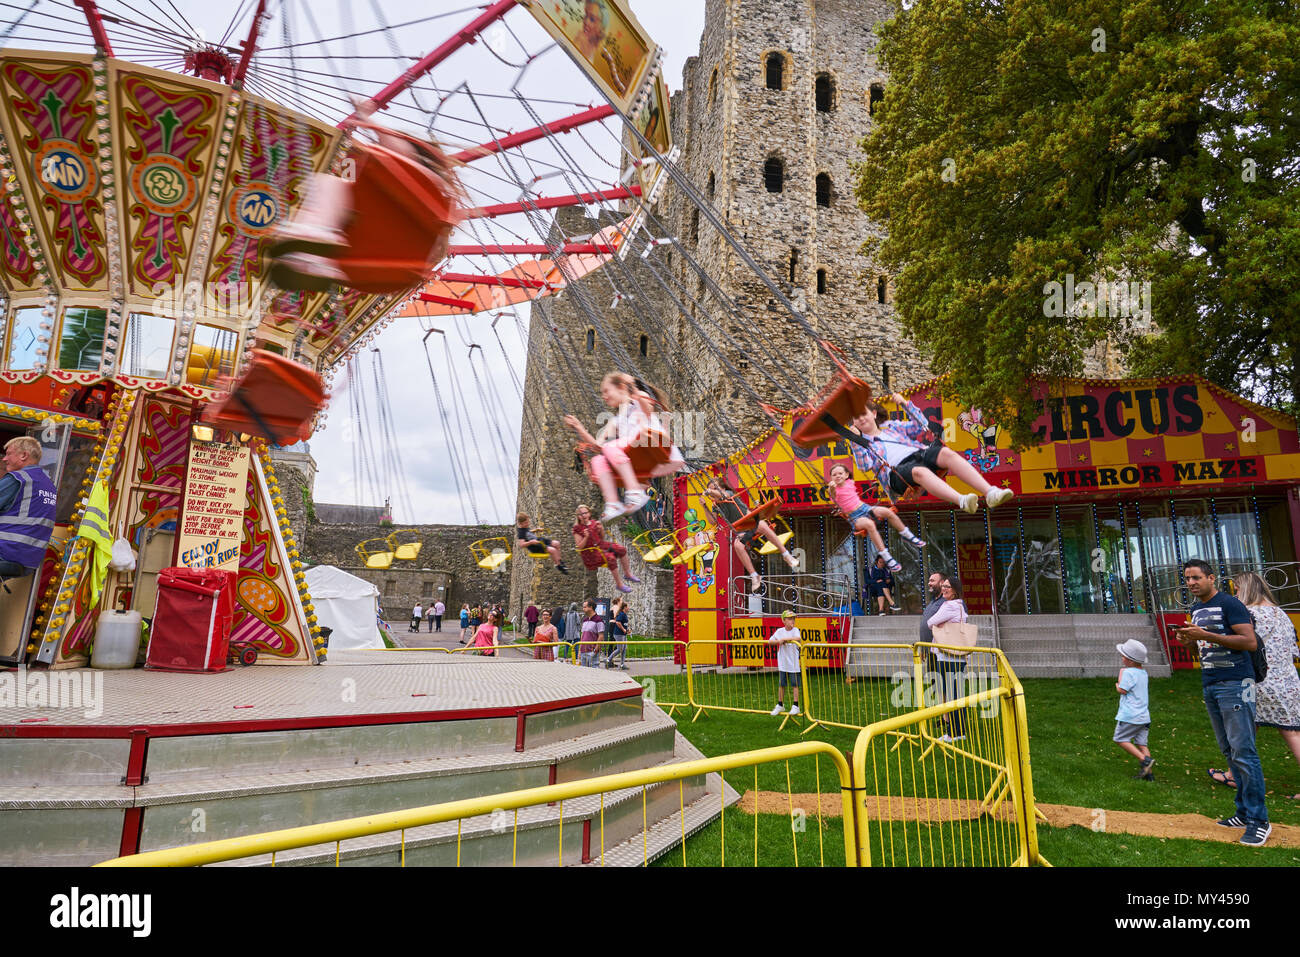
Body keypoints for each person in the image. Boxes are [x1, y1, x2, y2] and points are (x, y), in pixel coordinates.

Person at [1171, 559, 1270, 846]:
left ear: (1211, 578)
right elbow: (1201, 648)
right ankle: (1242, 811)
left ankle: (1259, 820)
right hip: (1212, 683)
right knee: (1229, 750)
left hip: (1238, 683)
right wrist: (1188, 639)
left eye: (1197, 578)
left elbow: (1249, 641)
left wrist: (1205, 634)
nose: (1191, 583)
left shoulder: (1230, 604)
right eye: (1187, 578)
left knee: (1244, 751)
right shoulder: (1196, 609)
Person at [821, 393, 1014, 514]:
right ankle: (962, 500)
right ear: (853, 423)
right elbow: (864, 466)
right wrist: (855, 441)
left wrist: (905, 404)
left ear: (873, 413)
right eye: (856, 418)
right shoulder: (863, 443)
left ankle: (990, 492)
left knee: (947, 454)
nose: (861, 419)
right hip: (896, 473)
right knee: (920, 472)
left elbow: (919, 426)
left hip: (919, 454)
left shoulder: (892, 427)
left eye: (864, 413)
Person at [1205, 571, 1300, 801]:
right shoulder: (1281, 614)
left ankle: (1234, 775)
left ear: (1246, 589)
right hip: (1288, 680)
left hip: (1256, 680)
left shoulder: (1247, 614)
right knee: (1284, 731)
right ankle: (1233, 773)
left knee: (1247, 731)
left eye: (1236, 590)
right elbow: (1294, 650)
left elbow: (1240, 644)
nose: (1234, 594)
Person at [564, 372, 684, 522]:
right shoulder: (615, 421)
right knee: (598, 461)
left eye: (606, 391)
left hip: (655, 445)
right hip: (639, 457)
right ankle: (613, 504)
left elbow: (648, 411)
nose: (604, 396)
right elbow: (598, 447)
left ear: (621, 387)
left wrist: (633, 390)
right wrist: (578, 427)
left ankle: (634, 490)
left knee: (611, 447)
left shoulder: (637, 397)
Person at [703, 476, 798, 591]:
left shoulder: (728, 493)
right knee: (738, 545)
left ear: (722, 488)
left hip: (751, 522)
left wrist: (709, 491)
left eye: (715, 489)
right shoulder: (715, 505)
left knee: (762, 525)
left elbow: (723, 496)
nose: (712, 494)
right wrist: (704, 506)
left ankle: (786, 555)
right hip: (741, 529)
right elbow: (713, 521)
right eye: (711, 491)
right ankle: (754, 576)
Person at [826, 463, 924, 572]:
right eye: (834, 475)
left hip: (865, 508)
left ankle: (906, 534)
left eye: (840, 473)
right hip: (855, 517)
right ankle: (887, 557)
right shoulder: (833, 490)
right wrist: (831, 487)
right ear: (831, 478)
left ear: (846, 475)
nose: (837, 476)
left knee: (888, 512)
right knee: (869, 524)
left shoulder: (850, 482)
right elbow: (833, 493)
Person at [0, 436, 57, 579]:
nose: (4, 459)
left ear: (24, 455)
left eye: (8, 454)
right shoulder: (49, 485)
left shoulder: (18, 478)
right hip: (29, 559)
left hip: (6, 552)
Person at [927, 577, 970, 742]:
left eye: (947, 586)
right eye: (943, 585)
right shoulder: (959, 605)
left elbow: (931, 622)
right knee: (956, 693)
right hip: (956, 657)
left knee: (951, 694)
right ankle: (958, 730)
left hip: (947, 656)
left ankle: (955, 733)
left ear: (954, 590)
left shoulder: (950, 606)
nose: (944, 588)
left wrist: (938, 625)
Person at [1114, 638, 1155, 781]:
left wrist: (1118, 680)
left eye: (1123, 656)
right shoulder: (1143, 672)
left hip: (1130, 716)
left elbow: (1122, 690)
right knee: (1141, 743)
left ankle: (1144, 760)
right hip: (1144, 716)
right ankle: (1148, 773)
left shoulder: (1129, 673)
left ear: (1130, 660)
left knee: (1119, 739)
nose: (1122, 658)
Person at [573, 504, 637, 594]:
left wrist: (601, 529)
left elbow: (601, 538)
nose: (583, 516)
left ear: (589, 513)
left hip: (600, 545)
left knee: (622, 549)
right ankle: (619, 584)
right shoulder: (577, 528)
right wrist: (586, 537)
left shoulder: (594, 523)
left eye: (585, 513)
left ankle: (628, 574)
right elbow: (579, 546)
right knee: (611, 558)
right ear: (578, 517)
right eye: (581, 514)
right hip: (590, 553)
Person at [767, 610, 802, 716]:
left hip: (794, 663)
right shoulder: (779, 631)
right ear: (784, 620)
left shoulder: (795, 630)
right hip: (783, 663)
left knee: (795, 684)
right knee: (782, 684)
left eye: (793, 618)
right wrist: (778, 641)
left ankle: (796, 706)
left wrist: (785, 639)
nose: (792, 620)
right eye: (790, 618)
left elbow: (798, 638)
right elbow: (770, 641)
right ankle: (780, 704)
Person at [578, 599, 604, 668]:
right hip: (583, 651)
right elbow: (582, 636)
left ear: (591, 607)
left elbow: (601, 636)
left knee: (594, 674)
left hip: (592, 652)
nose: (583, 609)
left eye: (585, 607)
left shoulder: (598, 620)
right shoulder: (585, 620)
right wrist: (580, 651)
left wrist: (596, 650)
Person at [605, 598, 630, 669]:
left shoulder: (623, 614)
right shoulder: (620, 612)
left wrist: (627, 630)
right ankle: (608, 660)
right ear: (625, 607)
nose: (629, 608)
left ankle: (622, 664)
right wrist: (623, 629)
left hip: (622, 633)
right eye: (628, 606)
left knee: (624, 648)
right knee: (620, 649)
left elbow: (623, 623)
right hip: (619, 633)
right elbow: (618, 622)